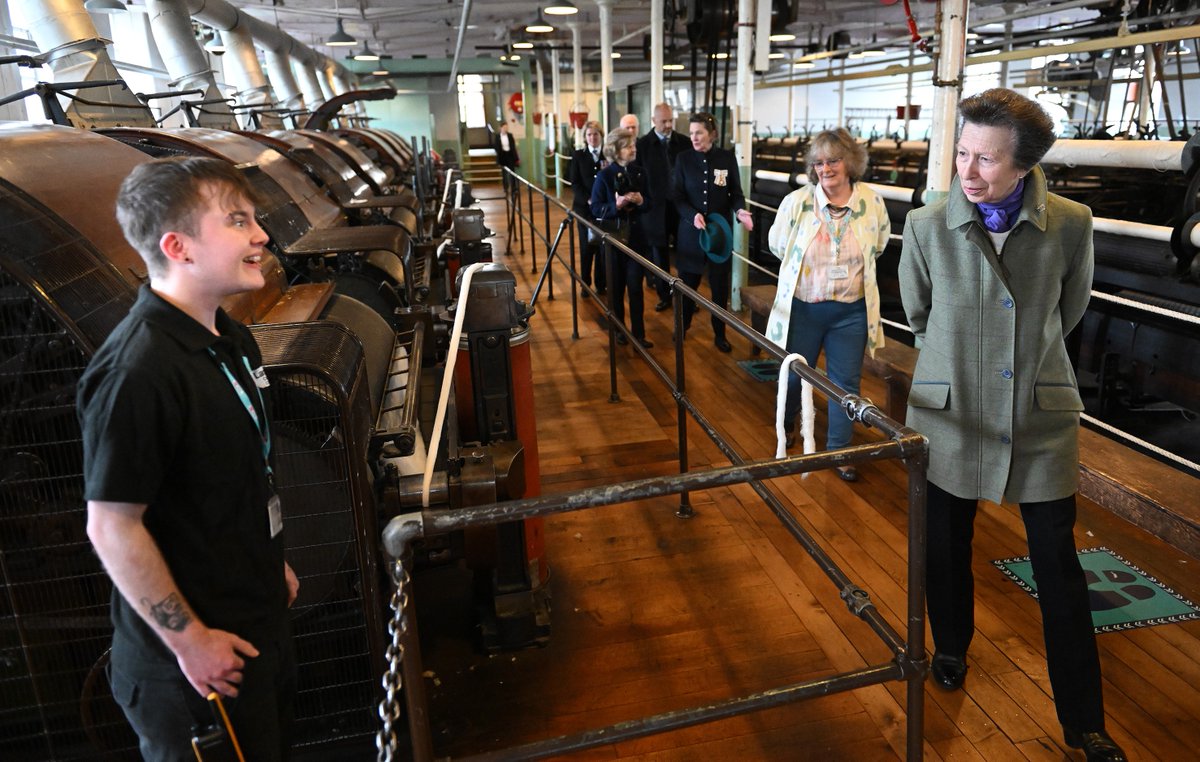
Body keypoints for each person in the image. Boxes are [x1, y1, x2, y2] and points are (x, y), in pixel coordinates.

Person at [899, 88, 1126, 762]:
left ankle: (1085, 723)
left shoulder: (1073, 224)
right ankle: (951, 646)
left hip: (1039, 414)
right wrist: (963, 364)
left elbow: (1070, 307)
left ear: (1025, 165)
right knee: (944, 545)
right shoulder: (927, 225)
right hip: (951, 410)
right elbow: (918, 315)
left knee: (1058, 567)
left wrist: (1022, 366)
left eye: (986, 161)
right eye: (962, 154)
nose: (967, 172)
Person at [80, 157, 299, 762]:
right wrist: (191, 641)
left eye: (254, 218)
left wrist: (265, 561)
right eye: (236, 221)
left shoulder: (229, 338)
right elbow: (111, 524)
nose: (261, 235)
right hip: (197, 670)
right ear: (178, 247)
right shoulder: (139, 371)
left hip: (253, 624)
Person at [766, 128, 891, 481]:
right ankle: (786, 424)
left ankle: (841, 451)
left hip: (851, 310)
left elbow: (878, 246)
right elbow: (778, 244)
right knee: (792, 375)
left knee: (845, 383)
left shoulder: (871, 202)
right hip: (804, 308)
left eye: (833, 160)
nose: (826, 168)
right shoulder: (797, 202)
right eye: (819, 162)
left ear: (850, 162)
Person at [670, 112, 753, 353]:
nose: (694, 137)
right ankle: (682, 326)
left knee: (719, 288)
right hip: (691, 234)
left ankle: (720, 334)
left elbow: (735, 193)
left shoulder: (726, 158)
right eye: (691, 133)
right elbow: (677, 196)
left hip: (720, 236)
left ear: (712, 134)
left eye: (699, 133)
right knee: (687, 286)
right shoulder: (683, 159)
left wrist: (740, 211)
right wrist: (691, 214)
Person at [590, 127, 653, 348]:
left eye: (633, 144)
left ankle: (639, 334)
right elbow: (596, 208)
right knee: (616, 290)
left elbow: (651, 203)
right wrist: (615, 205)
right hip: (614, 241)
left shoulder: (640, 172)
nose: (633, 149)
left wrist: (640, 201)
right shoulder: (605, 176)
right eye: (628, 146)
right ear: (616, 151)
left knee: (636, 288)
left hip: (636, 240)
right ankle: (618, 330)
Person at [635, 102, 691, 311]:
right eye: (663, 121)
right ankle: (664, 295)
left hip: (680, 207)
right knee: (659, 254)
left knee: (685, 252)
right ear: (653, 121)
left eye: (670, 120)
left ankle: (687, 296)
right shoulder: (642, 145)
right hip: (654, 209)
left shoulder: (684, 143)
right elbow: (637, 177)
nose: (668, 125)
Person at [568, 120, 607, 296]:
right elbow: (575, 183)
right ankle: (585, 283)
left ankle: (601, 283)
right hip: (584, 209)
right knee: (586, 246)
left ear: (601, 135)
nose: (592, 138)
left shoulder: (607, 155)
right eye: (589, 134)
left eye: (595, 134)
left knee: (601, 247)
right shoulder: (578, 155)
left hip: (603, 210)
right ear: (585, 137)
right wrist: (589, 199)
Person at [495, 122, 520, 194]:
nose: (506, 129)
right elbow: (496, 147)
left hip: (510, 155)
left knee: (512, 172)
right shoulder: (497, 136)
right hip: (502, 156)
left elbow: (513, 147)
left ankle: (514, 188)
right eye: (504, 127)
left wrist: (516, 158)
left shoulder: (510, 135)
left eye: (507, 127)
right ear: (501, 128)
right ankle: (505, 188)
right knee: (504, 174)